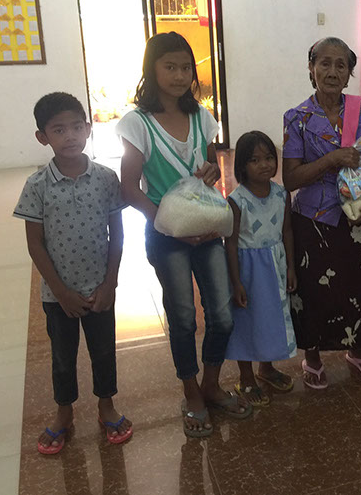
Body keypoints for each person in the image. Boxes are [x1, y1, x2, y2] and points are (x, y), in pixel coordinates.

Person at [117, 32, 251, 438]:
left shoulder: (202, 118)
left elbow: (209, 172)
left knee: (222, 314)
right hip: (166, 236)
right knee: (182, 317)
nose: (179, 75)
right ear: (152, 70)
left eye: (186, 67)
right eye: (170, 67)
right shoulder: (137, 124)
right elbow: (129, 189)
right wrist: (168, 224)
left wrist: (211, 172)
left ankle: (211, 385)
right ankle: (191, 392)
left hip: (206, 230)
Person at [14, 92, 132, 454]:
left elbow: (117, 234)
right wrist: (61, 292)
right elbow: (36, 245)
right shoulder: (37, 186)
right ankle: (64, 412)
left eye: (77, 127)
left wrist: (110, 283)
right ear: (42, 137)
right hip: (58, 295)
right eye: (59, 129)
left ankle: (106, 405)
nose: (70, 136)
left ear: (89, 128)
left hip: (99, 289)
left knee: (103, 351)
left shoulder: (106, 178)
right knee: (63, 357)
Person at [282, 36, 361, 389]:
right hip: (313, 220)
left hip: (358, 214)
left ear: (349, 73)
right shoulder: (297, 118)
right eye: (325, 63)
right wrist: (331, 159)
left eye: (341, 65)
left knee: (359, 285)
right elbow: (290, 179)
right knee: (315, 291)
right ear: (311, 68)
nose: (332, 71)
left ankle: (358, 349)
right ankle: (313, 355)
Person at [225, 131, 297, 407]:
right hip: (249, 271)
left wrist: (291, 267)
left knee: (271, 318)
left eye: (268, 157)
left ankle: (266, 367)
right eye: (254, 160)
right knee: (247, 322)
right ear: (242, 166)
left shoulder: (282, 194)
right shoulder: (237, 200)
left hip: (275, 267)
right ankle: (246, 377)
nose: (264, 164)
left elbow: (287, 231)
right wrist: (236, 282)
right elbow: (231, 243)